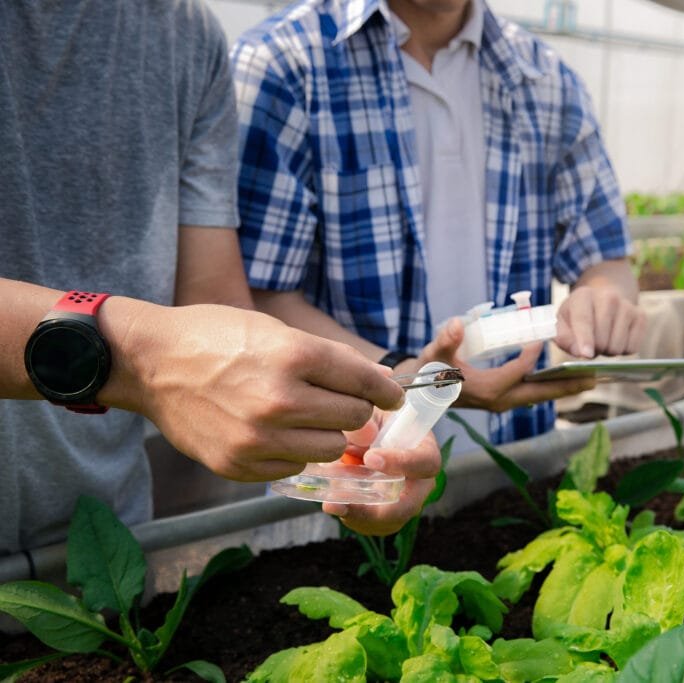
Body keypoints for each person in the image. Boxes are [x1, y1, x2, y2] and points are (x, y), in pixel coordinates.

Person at [0, 0, 439, 557]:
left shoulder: (183, 33)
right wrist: (141, 360)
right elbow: (165, 359)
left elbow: (214, 306)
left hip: (102, 549)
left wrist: (352, 435)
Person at [231, 0, 646, 453]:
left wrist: (603, 300)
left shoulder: (547, 82)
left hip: (515, 462)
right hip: (349, 464)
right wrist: (411, 376)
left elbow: (606, 262)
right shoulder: (285, 66)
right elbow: (254, 299)